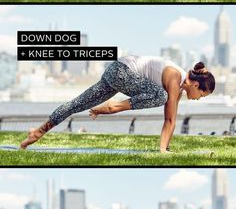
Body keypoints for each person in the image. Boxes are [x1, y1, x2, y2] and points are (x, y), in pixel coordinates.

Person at [20, 59, 215, 154]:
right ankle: (114, 106)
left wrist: (165, 148)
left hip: (115, 73)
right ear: (196, 86)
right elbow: (170, 119)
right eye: (202, 95)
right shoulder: (174, 78)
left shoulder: (179, 88)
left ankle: (38, 132)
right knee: (161, 95)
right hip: (122, 71)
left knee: (76, 104)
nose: (199, 99)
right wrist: (162, 150)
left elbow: (170, 121)